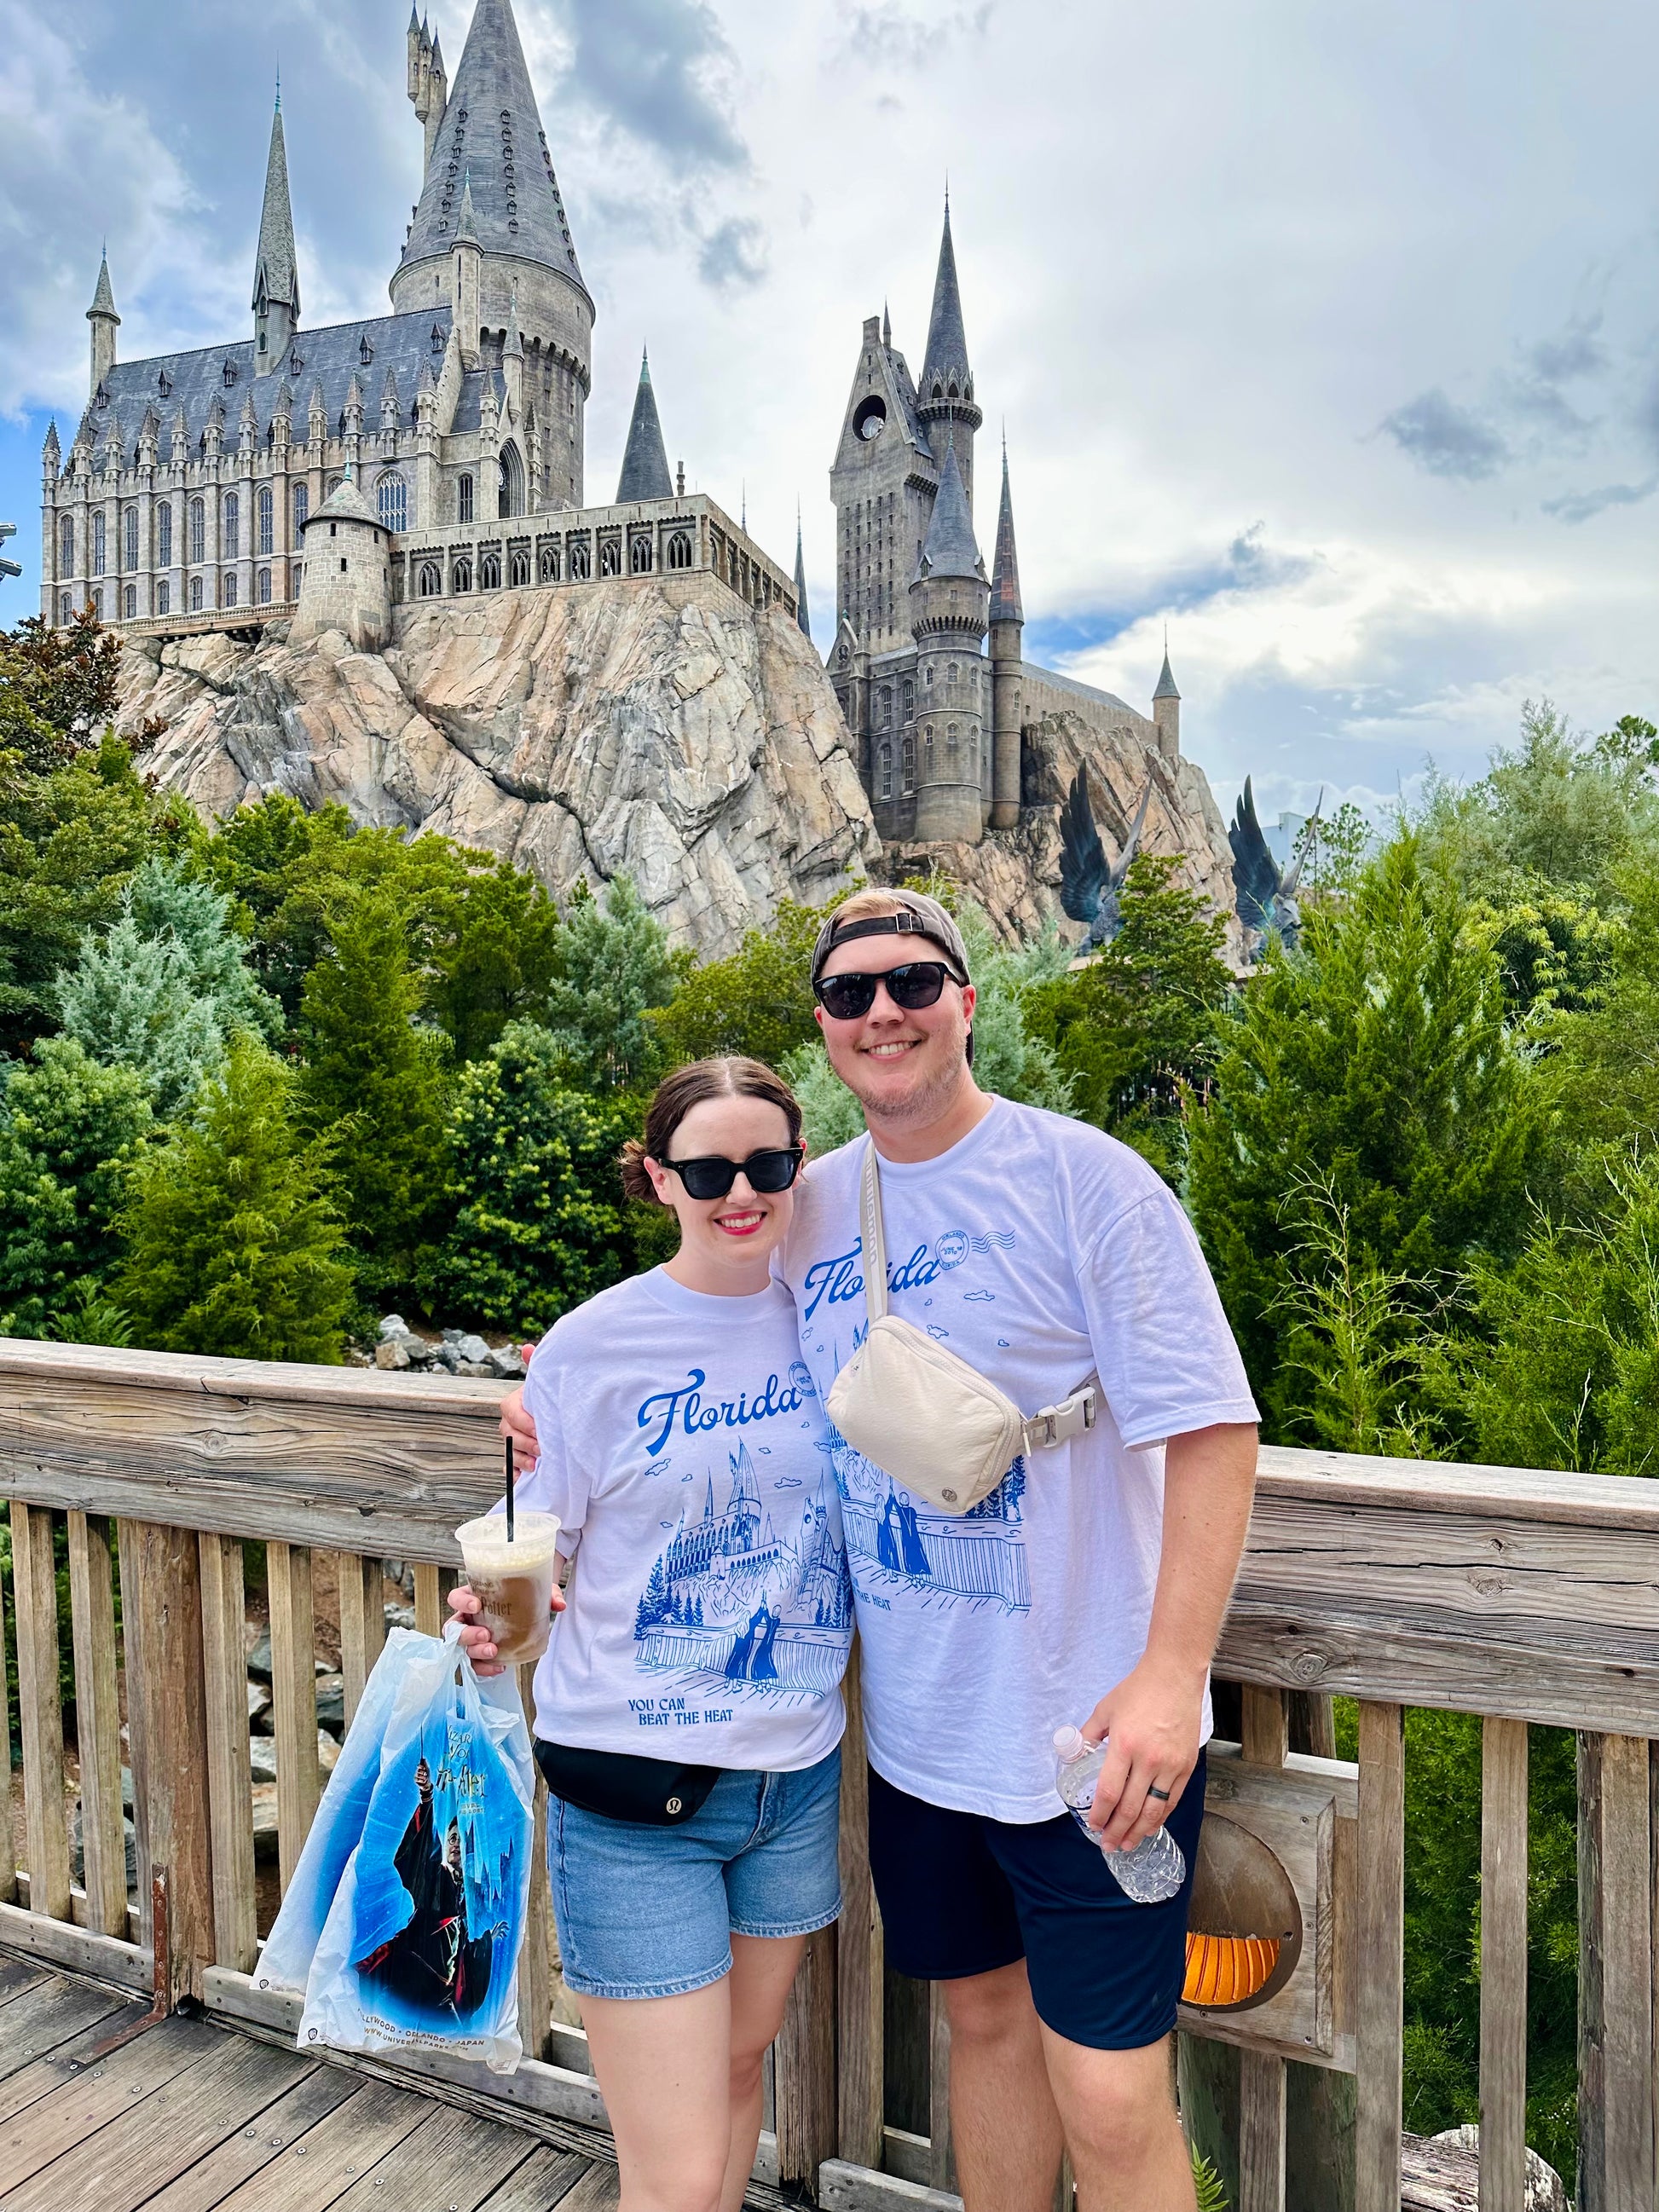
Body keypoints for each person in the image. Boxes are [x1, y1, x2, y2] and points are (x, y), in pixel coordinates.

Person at [501, 889, 1259, 2212]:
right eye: (850, 993)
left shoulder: (1084, 1180)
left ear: (965, 1000)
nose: (883, 1011)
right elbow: (697, 1316)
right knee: (980, 2028)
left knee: (1110, 2090)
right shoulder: (811, 1203)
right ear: (824, 1029)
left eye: (912, 981)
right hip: (916, 1743)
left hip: (1090, 1730)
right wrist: (538, 1406)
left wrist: (1168, 1675)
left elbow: (1211, 1429)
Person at [451, 1057, 852, 2212]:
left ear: (798, 1169)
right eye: (709, 1169)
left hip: (790, 1778)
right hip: (636, 1790)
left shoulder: (836, 1323)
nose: (741, 1191)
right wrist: (489, 1606)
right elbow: (542, 1525)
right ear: (657, 1179)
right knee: (671, 2178)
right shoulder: (594, 1343)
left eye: (768, 1164)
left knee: (737, 2078)